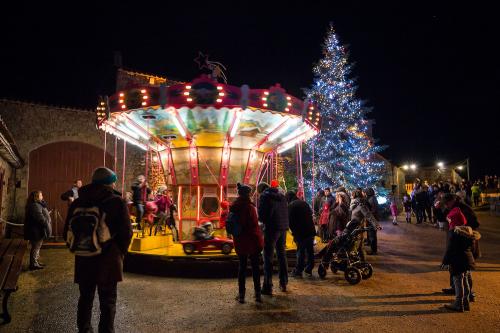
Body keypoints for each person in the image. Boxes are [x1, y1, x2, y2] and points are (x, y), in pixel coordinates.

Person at [64, 167, 132, 333]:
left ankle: (84, 329)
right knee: (108, 301)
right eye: (113, 180)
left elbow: (66, 230)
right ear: (109, 182)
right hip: (108, 260)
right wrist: (119, 252)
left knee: (85, 298)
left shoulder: (78, 202)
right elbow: (126, 232)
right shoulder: (116, 201)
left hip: (84, 258)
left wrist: (80, 248)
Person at [231, 183, 264, 303]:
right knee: (255, 267)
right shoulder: (251, 207)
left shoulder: (234, 206)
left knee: (242, 267)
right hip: (252, 240)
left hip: (240, 241)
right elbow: (254, 225)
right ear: (248, 194)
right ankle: (257, 293)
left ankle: (241, 295)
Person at [257, 180, 289, 295]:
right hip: (283, 228)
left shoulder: (265, 197)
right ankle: (283, 282)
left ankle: (267, 286)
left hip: (271, 229)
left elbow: (262, 216)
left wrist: (263, 222)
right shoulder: (281, 196)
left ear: (261, 190)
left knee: (268, 257)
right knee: (282, 255)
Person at [441, 226, 481, 312]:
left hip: (457, 262)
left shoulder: (456, 236)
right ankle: (465, 303)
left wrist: (445, 261)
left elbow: (450, 249)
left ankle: (458, 304)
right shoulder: (471, 238)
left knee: (458, 282)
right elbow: (474, 251)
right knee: (465, 282)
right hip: (468, 262)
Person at [286, 190, 316, 278]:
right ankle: (309, 269)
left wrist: (293, 232)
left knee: (301, 251)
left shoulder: (291, 206)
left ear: (288, 198)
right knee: (310, 251)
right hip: (310, 230)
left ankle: (298, 270)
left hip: (300, 232)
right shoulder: (304, 203)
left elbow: (289, 220)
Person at [24, 190, 51, 270]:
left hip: (37, 229)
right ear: (36, 197)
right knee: (36, 247)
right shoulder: (35, 205)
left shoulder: (37, 204)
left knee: (37, 247)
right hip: (35, 230)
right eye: (41, 195)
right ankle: (33, 264)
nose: (42, 196)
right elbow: (39, 217)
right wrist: (46, 223)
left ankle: (35, 262)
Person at [363, 188, 379, 255]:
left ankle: (373, 251)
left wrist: (368, 215)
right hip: (372, 219)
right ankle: (373, 249)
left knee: (372, 235)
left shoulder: (371, 199)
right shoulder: (372, 198)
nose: (364, 193)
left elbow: (373, 210)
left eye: (365, 192)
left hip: (372, 219)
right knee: (371, 234)